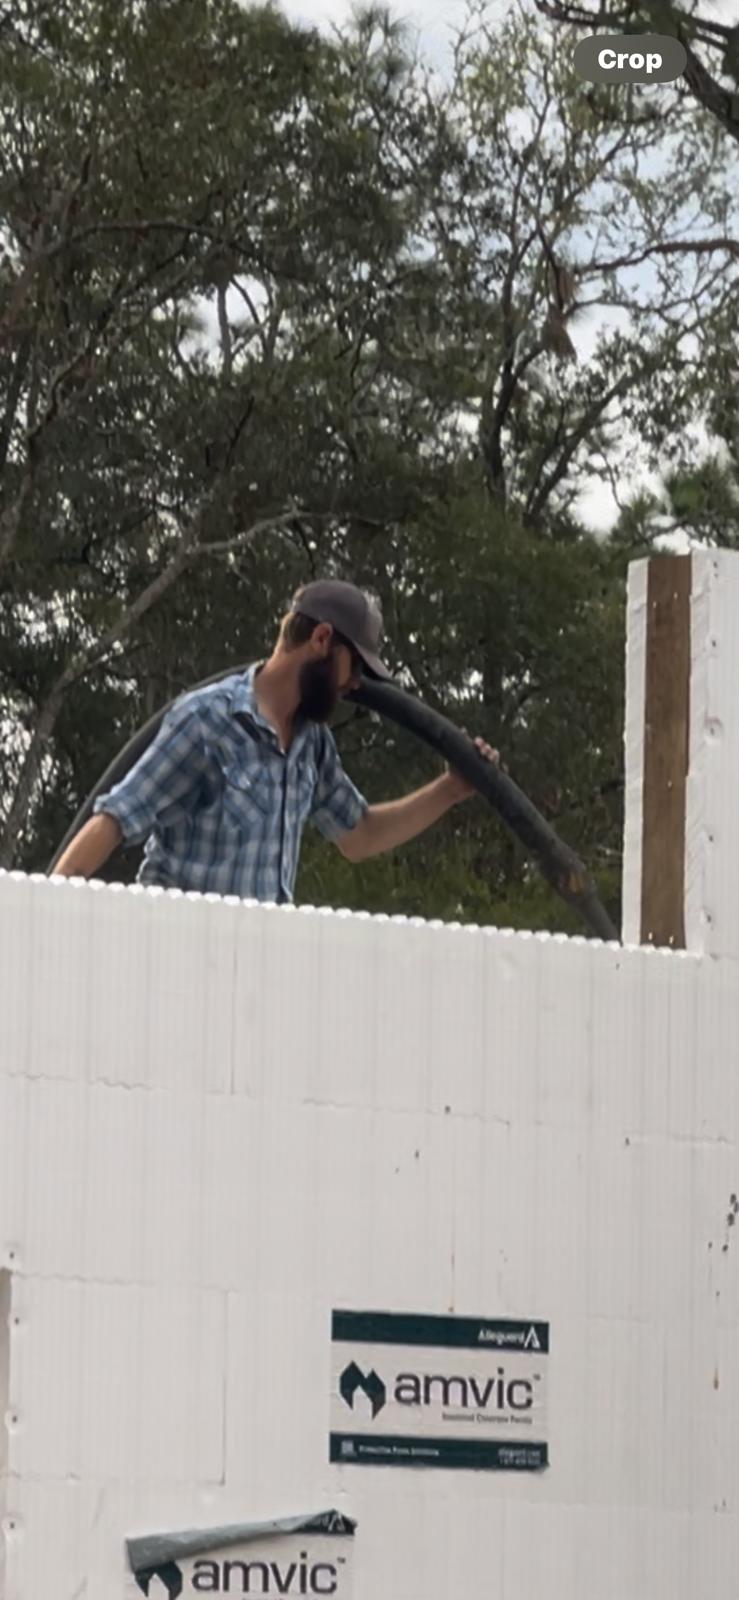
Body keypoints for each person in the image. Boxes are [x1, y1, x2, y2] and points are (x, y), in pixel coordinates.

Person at [52, 578, 500, 900]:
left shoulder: (312, 744)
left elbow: (360, 835)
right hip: (178, 960)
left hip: (252, 974)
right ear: (322, 639)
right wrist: (42, 917)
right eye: (356, 666)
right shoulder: (208, 721)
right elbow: (115, 820)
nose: (356, 685)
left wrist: (450, 790)